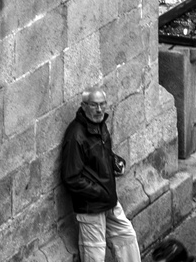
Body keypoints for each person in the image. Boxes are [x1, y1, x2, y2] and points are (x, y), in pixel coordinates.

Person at [61, 90, 140, 262]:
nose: (99, 109)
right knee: (94, 255)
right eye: (94, 105)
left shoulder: (100, 125)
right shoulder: (76, 136)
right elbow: (71, 178)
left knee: (127, 238)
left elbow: (103, 154)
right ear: (83, 106)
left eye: (102, 104)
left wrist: (114, 162)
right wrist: (100, 192)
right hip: (91, 208)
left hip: (108, 201)